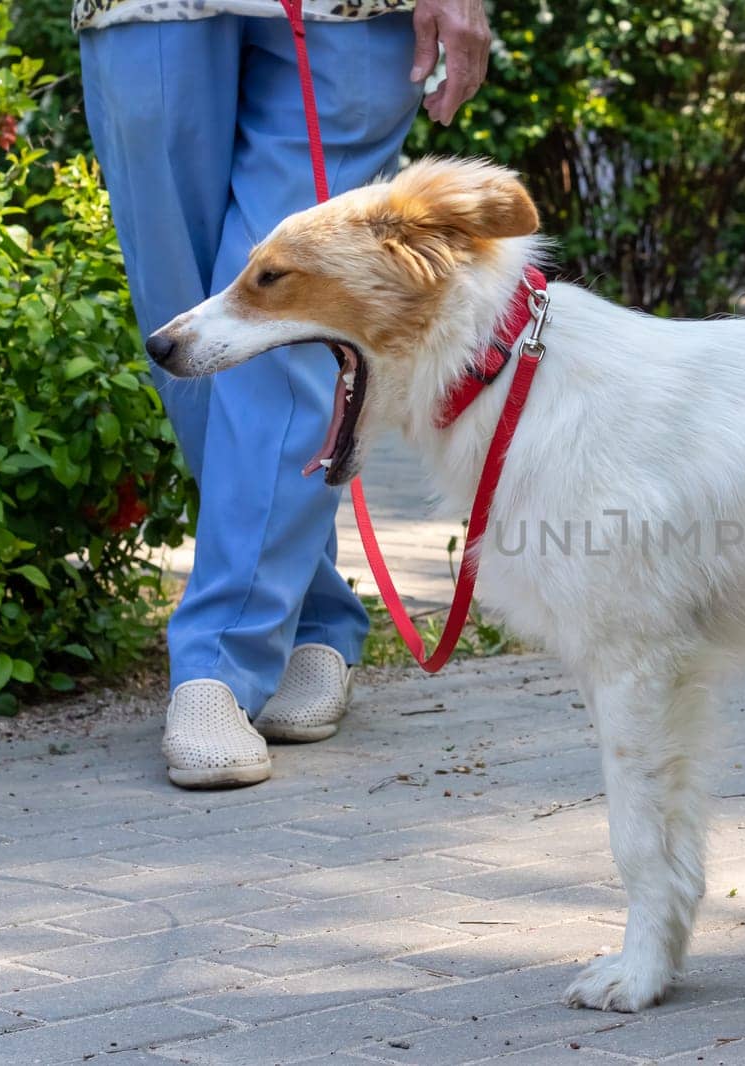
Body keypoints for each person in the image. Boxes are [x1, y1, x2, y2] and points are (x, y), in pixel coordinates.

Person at [75, 0, 489, 788]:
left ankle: (219, 666)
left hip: (348, 13)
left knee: (283, 308)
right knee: (188, 326)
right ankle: (317, 615)